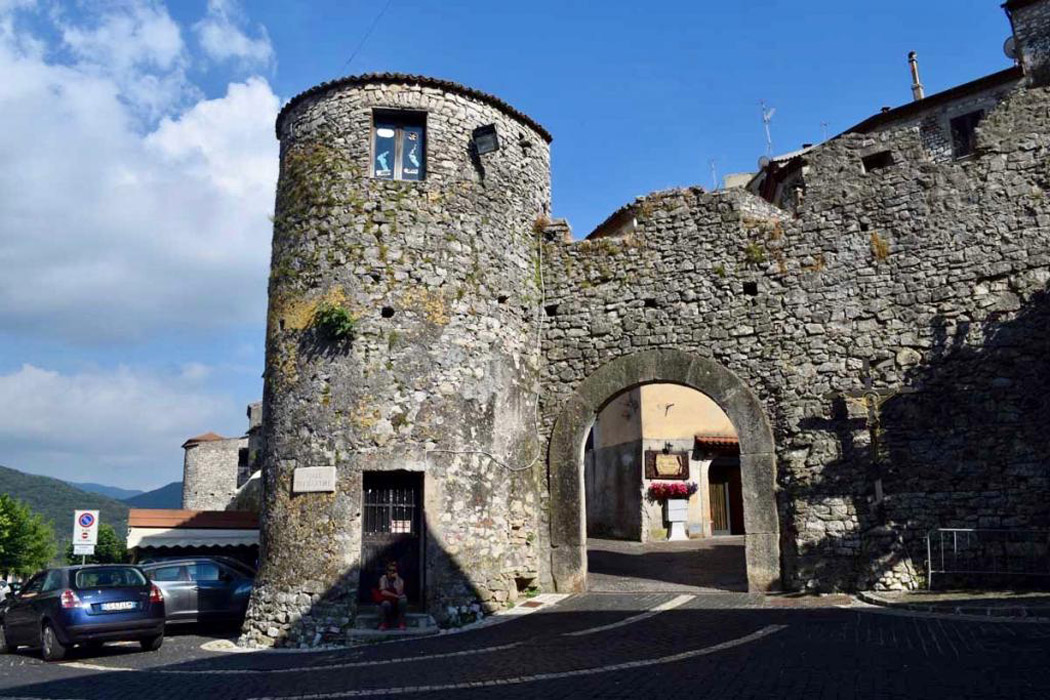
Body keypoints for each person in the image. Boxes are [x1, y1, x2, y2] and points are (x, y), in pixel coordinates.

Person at [376, 562, 407, 630]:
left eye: (394, 571)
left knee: (403, 601)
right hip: (387, 600)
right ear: (387, 571)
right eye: (390, 570)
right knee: (385, 604)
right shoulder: (383, 578)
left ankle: (401, 622)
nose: (391, 572)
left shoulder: (400, 580)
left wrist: (397, 579)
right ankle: (384, 623)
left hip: (396, 602)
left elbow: (400, 592)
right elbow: (383, 592)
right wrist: (396, 596)